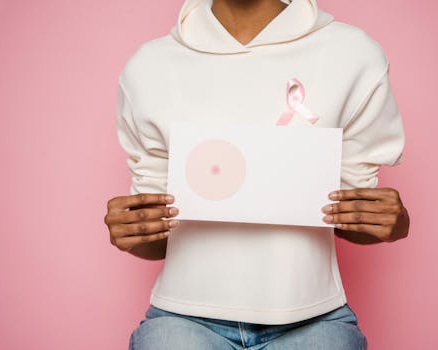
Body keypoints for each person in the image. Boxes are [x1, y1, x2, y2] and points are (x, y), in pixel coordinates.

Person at [104, 0, 410, 348]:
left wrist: (391, 223)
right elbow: (155, 237)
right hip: (182, 316)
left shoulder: (353, 55)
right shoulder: (149, 68)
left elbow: (352, 213)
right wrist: (134, 231)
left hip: (313, 317)